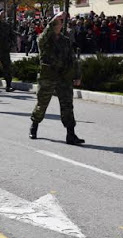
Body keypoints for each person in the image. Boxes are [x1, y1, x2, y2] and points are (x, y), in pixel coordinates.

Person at [30, 12, 85, 145]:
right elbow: (45, 33)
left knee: (67, 105)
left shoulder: (65, 41)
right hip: (48, 76)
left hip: (63, 77)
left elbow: (72, 60)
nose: (60, 25)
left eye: (61, 23)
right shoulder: (43, 39)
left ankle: (70, 134)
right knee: (42, 104)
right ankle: (34, 126)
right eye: (58, 23)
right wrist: (55, 18)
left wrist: (77, 75)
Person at [0, 9, 15, 92]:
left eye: (3, 13)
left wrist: (13, 43)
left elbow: (11, 34)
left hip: (5, 49)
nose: (2, 15)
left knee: (7, 67)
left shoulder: (6, 25)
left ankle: (8, 85)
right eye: (1, 13)